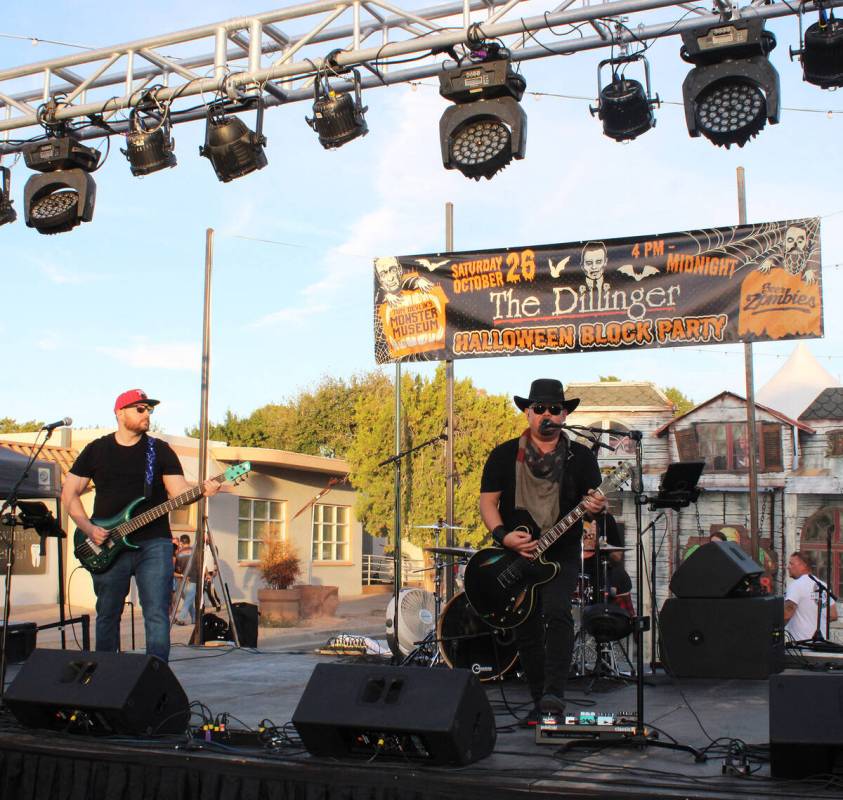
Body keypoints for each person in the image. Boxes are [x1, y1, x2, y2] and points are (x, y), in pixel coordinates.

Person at [479, 378, 606, 723]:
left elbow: (593, 503)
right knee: (526, 624)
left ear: (564, 415)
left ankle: (554, 694)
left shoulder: (580, 457)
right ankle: (539, 699)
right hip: (515, 554)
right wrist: (504, 536)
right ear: (527, 412)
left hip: (561, 553)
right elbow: (488, 502)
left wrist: (595, 507)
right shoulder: (504, 455)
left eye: (554, 409)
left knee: (558, 612)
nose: (546, 414)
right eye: (539, 409)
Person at [62, 389, 221, 662]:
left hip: (154, 542)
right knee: (108, 612)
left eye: (149, 409)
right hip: (107, 541)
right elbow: (69, 494)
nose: (147, 413)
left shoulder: (158, 450)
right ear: (120, 412)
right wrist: (89, 528)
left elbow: (178, 491)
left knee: (157, 612)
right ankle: (105, 674)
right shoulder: (97, 450)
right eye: (140, 409)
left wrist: (202, 490)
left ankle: (156, 676)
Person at [784, 551, 838, 642]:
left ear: (803, 565)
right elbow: (833, 615)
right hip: (821, 644)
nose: (788, 567)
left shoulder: (796, 585)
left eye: (791, 564)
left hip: (801, 646)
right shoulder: (822, 585)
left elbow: (786, 614)